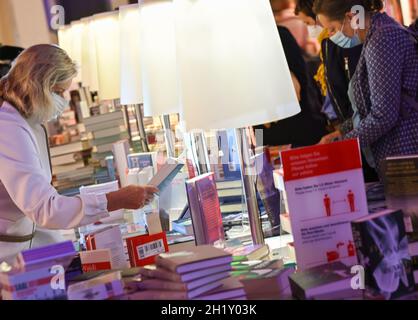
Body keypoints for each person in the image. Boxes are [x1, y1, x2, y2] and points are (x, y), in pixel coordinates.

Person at [0, 45, 159, 262]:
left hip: (27, 242)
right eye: (58, 92)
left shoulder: (26, 119)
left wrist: (68, 252)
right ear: (38, 86)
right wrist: (114, 200)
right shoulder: (8, 128)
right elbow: (45, 209)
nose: (63, 100)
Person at [315, 0, 418, 179]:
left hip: (403, 155)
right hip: (398, 153)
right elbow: (371, 105)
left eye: (331, 29)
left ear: (351, 17)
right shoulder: (377, 33)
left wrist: (343, 145)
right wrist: (342, 131)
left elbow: (383, 114)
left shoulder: (382, 39)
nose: (331, 36)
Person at [254, 26, 328, 148]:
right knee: (261, 159)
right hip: (262, 130)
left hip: (298, 127)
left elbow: (299, 83)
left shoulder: (277, 34)